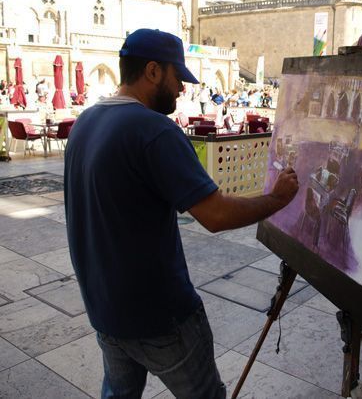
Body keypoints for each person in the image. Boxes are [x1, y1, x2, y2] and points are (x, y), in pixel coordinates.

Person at [64, 28, 299, 399]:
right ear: (153, 71)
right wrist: (277, 199)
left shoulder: (84, 123)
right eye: (178, 78)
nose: (182, 89)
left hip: (105, 311)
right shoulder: (153, 130)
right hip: (160, 316)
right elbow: (216, 215)